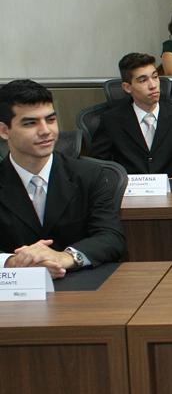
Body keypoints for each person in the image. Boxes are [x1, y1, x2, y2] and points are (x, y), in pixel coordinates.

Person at [0, 80, 125, 275]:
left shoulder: (89, 174)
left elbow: (110, 237)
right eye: (31, 123)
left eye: (50, 120)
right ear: (4, 131)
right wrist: (12, 262)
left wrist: (64, 257)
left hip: (82, 288)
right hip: (12, 292)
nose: (45, 131)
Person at [91, 53, 172, 177]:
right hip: (129, 193)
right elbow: (99, 165)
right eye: (143, 80)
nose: (153, 85)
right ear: (127, 87)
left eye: (155, 77)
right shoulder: (111, 120)